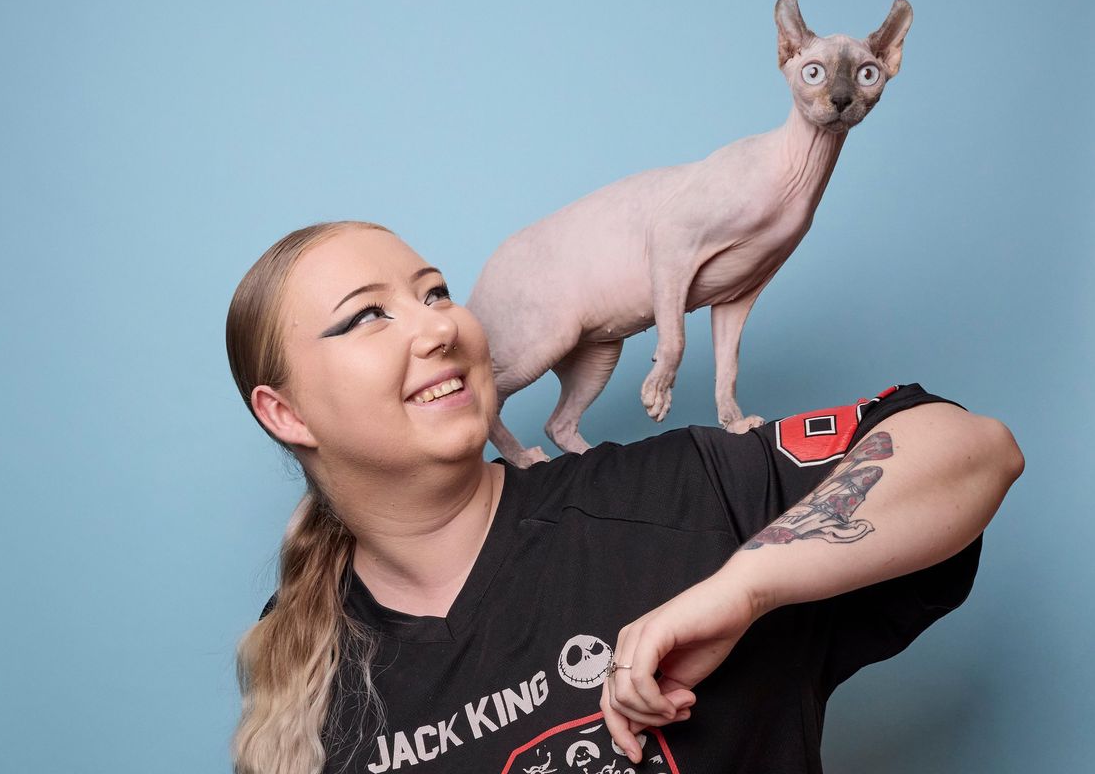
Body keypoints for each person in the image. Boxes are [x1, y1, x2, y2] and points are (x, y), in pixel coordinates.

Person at [225, 221, 1023, 774]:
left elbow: (973, 451)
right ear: (284, 412)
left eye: (434, 293)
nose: (438, 328)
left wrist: (745, 588)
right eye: (368, 316)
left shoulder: (677, 495)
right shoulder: (307, 663)